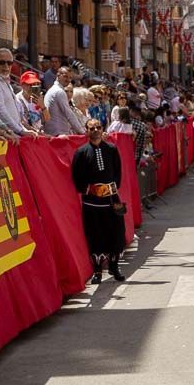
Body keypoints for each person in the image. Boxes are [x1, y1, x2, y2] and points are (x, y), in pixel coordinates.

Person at [71, 117, 126, 284]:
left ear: (103, 129)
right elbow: (76, 177)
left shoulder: (111, 149)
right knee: (95, 236)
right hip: (91, 204)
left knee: (116, 234)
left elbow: (117, 172)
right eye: (91, 128)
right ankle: (97, 271)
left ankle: (114, 267)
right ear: (86, 131)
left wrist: (111, 187)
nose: (95, 130)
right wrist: (90, 189)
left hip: (111, 200)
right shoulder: (81, 152)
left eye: (98, 127)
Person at [0, 48, 36, 137]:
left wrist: (23, 128)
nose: (6, 66)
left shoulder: (3, 79)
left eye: (10, 63)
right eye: (2, 62)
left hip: (14, 133)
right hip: (4, 135)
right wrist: (20, 131)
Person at [45, 66, 86, 135]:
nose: (68, 80)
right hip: (58, 134)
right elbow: (69, 114)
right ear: (58, 75)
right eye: (65, 76)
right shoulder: (59, 91)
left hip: (55, 132)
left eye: (70, 77)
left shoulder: (53, 89)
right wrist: (82, 131)